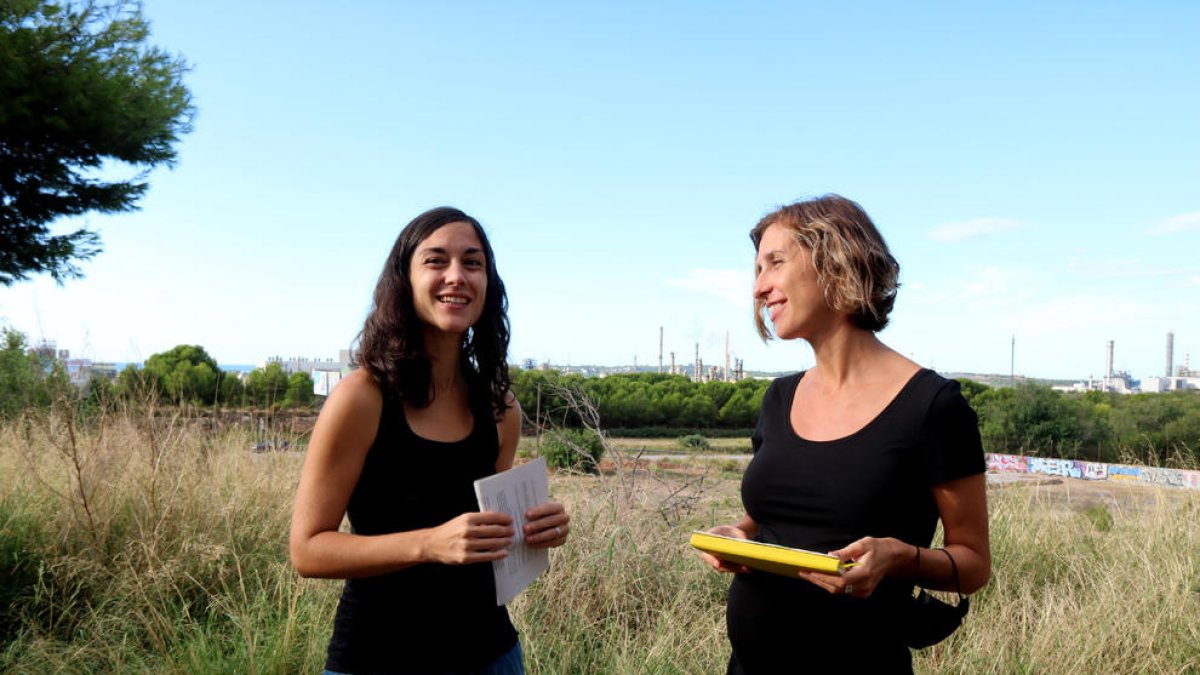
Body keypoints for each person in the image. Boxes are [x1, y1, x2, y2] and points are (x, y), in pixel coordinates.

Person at [701, 195, 991, 674]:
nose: (759, 288)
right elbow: (774, 515)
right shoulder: (778, 399)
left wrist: (898, 557)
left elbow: (974, 564)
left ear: (836, 261)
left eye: (775, 263)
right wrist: (738, 535)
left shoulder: (933, 407)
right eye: (756, 270)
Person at [290, 207, 570, 675]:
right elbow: (308, 550)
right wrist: (429, 544)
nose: (456, 276)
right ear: (405, 279)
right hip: (378, 656)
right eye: (436, 261)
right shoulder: (361, 398)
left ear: (489, 283)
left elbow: (492, 531)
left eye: (473, 262)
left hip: (492, 655)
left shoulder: (500, 407)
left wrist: (536, 531)